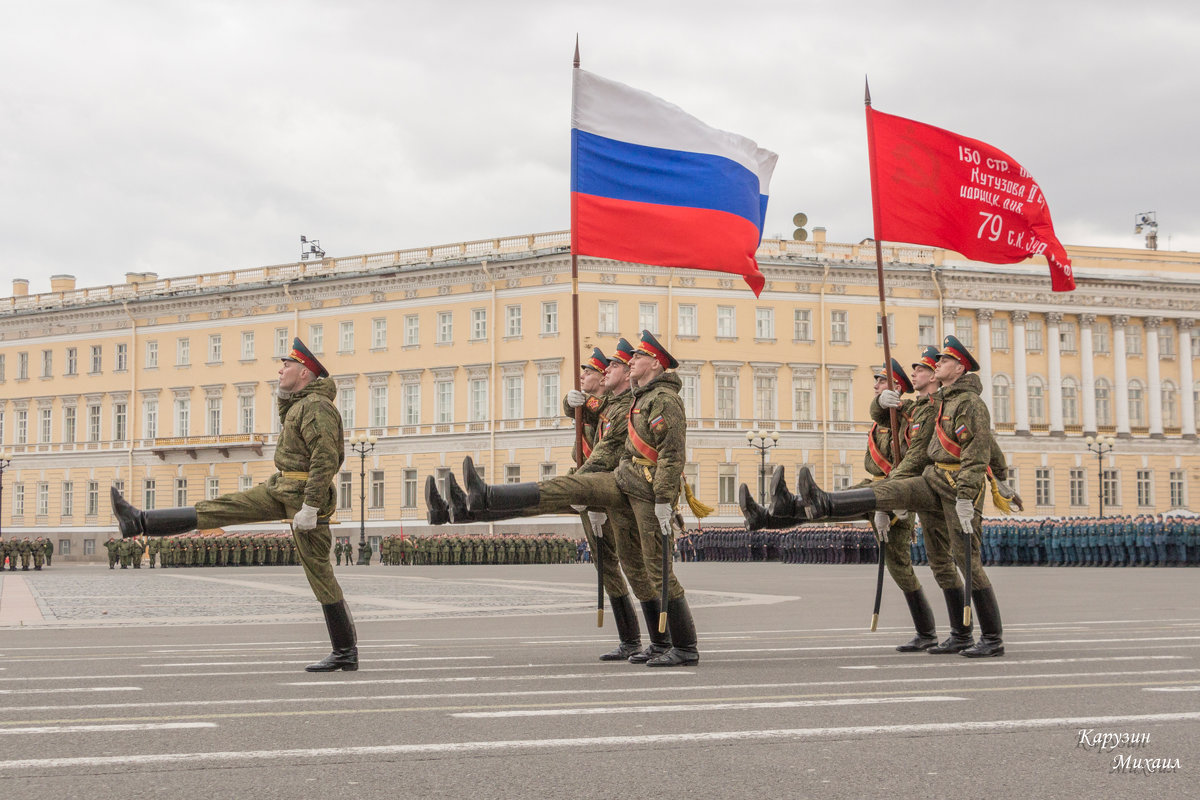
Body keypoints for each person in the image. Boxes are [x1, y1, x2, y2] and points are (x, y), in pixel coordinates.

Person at [431, 331, 700, 667]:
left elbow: (672, 454)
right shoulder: (638, 398)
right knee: (624, 554)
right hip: (625, 482)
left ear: (656, 363)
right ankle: (480, 502)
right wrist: (569, 403)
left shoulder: (663, 400)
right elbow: (593, 409)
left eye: (635, 358)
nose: (630, 362)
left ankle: (684, 647)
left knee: (655, 570)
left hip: (644, 490)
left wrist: (663, 500)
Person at [110, 337, 357, 672]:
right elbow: (292, 420)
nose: (280, 368)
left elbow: (325, 459)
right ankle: (139, 521)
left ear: (304, 373)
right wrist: (284, 395)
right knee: (222, 507)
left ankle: (345, 652)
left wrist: (311, 507)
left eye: (287, 364)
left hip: (301, 497)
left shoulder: (317, 407)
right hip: (283, 488)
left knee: (319, 573)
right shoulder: (303, 404)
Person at [778, 335, 1011, 658]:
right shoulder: (944, 400)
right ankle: (960, 634)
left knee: (966, 560)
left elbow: (978, 450)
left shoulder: (969, 404)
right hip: (933, 478)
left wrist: (970, 495)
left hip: (956, 486)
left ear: (958, 368)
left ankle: (992, 638)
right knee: (938, 559)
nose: (935, 364)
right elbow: (889, 415)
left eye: (942, 361)